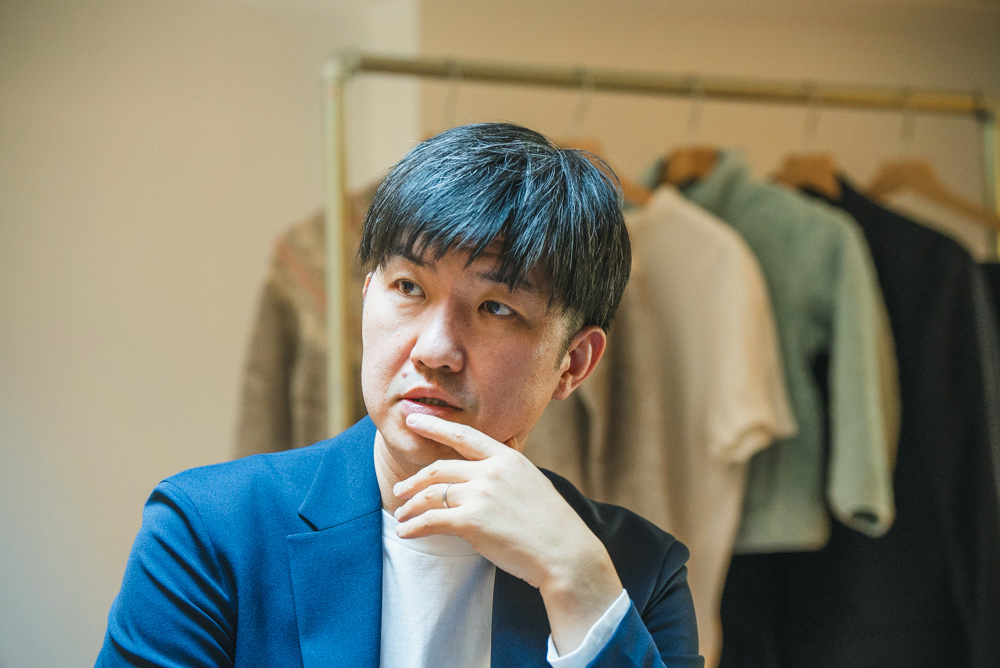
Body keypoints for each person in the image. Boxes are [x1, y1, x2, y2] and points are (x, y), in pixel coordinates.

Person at [97, 123, 703, 667]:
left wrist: (578, 580)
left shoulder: (637, 574)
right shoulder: (210, 532)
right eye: (409, 288)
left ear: (573, 363)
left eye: (496, 308)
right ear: (367, 298)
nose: (434, 350)